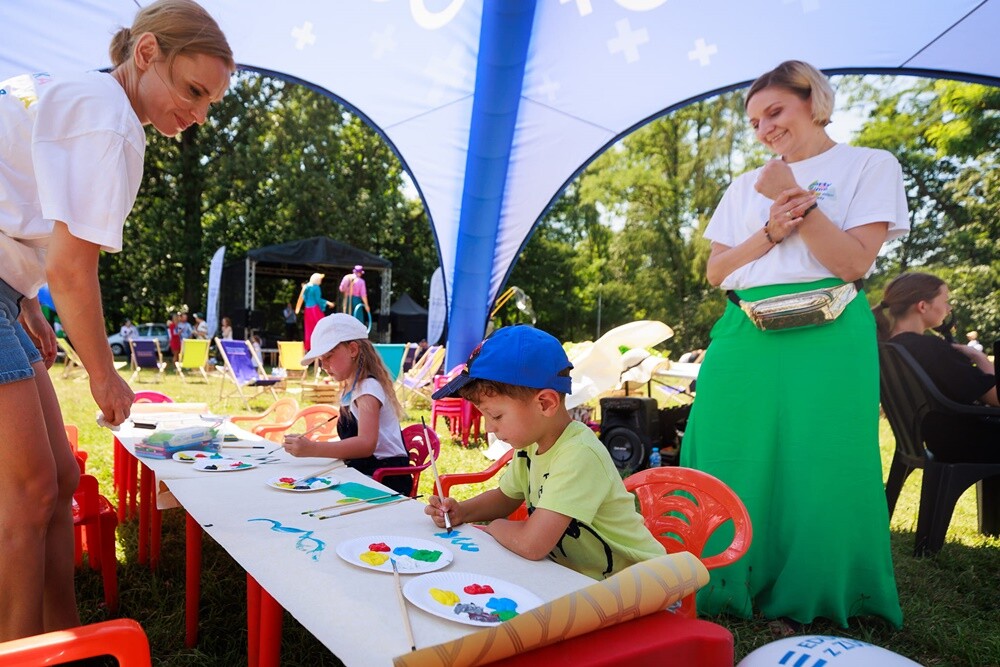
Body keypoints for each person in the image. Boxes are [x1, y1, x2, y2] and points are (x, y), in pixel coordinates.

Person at [0, 0, 233, 641]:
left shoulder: (83, 98)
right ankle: (22, 650)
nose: (199, 114)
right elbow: (75, 269)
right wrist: (105, 376)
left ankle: (63, 635)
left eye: (211, 102)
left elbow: (18, 198)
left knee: (61, 479)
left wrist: (23, 300)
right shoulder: (111, 122)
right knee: (25, 495)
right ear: (147, 52)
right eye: (193, 90)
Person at [679, 60, 908, 629]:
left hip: (829, 333)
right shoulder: (743, 186)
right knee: (729, 453)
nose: (764, 130)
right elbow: (717, 272)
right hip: (744, 333)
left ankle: (816, 592)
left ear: (814, 101)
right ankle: (719, 578)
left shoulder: (869, 165)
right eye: (755, 121)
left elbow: (853, 262)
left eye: (774, 111)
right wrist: (771, 231)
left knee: (822, 460)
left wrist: (796, 200)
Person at [424, 325, 665, 581]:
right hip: (586, 582)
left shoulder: (578, 454)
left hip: (646, 584)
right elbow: (506, 497)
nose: (489, 428)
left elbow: (531, 544)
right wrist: (462, 511)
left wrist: (493, 527)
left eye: (495, 415)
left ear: (545, 403)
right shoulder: (531, 444)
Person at [874, 272, 999, 462]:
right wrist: (978, 357)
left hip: (941, 441)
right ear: (923, 306)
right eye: (945, 300)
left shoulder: (891, 348)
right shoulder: (929, 348)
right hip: (970, 441)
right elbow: (995, 398)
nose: (949, 309)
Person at [282, 314, 412, 495]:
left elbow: (366, 444)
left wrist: (312, 448)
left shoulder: (368, 388)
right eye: (321, 359)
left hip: (386, 479)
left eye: (328, 357)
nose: (324, 366)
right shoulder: (352, 387)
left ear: (352, 349)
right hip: (368, 470)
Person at [296, 273, 334, 352]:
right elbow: (318, 300)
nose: (321, 281)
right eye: (320, 279)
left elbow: (301, 298)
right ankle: (324, 345)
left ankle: (309, 348)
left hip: (307, 310)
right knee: (322, 327)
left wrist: (297, 308)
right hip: (315, 310)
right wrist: (328, 302)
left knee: (309, 329)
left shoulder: (306, 287)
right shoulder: (316, 288)